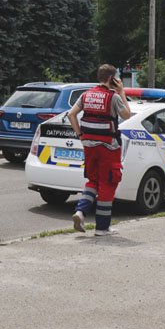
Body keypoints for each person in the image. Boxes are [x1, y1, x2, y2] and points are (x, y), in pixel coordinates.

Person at [69, 64, 132, 236]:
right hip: (108, 147)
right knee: (108, 183)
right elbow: (127, 114)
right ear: (112, 78)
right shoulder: (113, 97)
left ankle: (80, 212)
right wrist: (122, 92)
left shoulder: (86, 95)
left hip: (89, 146)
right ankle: (102, 228)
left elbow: (71, 115)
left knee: (93, 181)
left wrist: (81, 135)